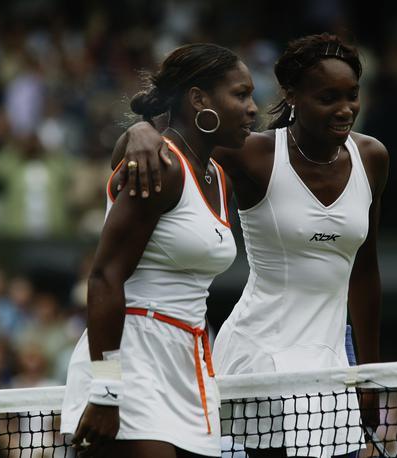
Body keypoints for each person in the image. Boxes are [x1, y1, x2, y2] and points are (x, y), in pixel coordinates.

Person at [114, 33, 388, 457]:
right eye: (328, 97)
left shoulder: (372, 157)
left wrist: (368, 372)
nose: (345, 109)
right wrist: (140, 132)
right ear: (292, 96)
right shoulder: (251, 153)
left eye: (352, 96)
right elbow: (177, 142)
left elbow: (365, 270)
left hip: (334, 358)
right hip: (260, 355)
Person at [59, 43, 257, 458]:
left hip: (189, 365)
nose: (253, 108)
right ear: (199, 99)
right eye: (240, 94)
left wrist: (141, 129)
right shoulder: (160, 167)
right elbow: (104, 278)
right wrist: (106, 388)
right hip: (130, 360)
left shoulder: (220, 176)